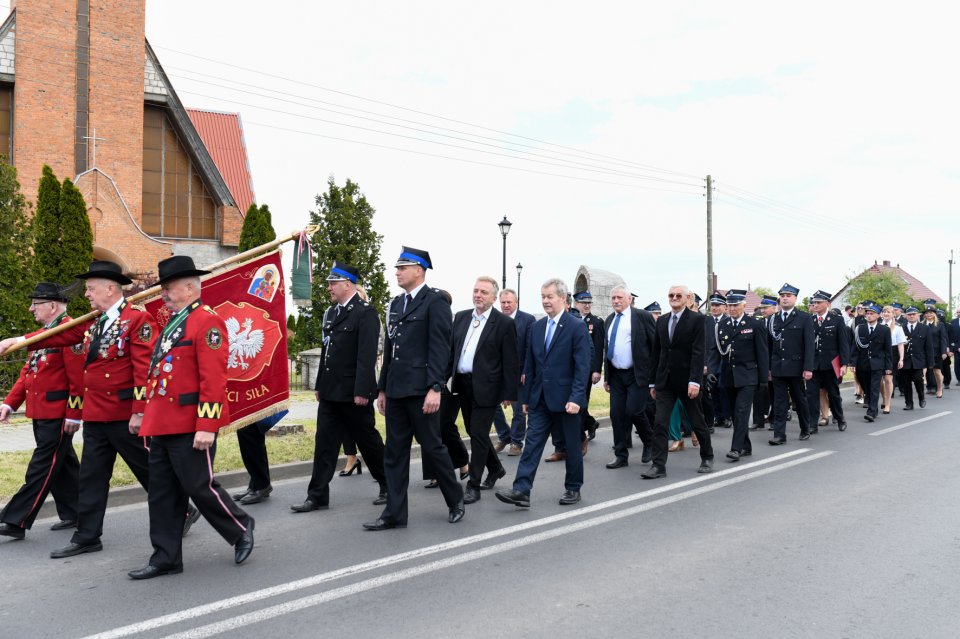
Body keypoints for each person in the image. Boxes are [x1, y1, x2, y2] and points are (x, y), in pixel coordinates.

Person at [0, 261, 168, 559]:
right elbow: (57, 336)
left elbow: (145, 370)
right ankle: (87, 536)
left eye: (91, 288)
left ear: (110, 288)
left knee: (150, 470)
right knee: (91, 477)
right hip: (96, 414)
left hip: (123, 414)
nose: (87, 294)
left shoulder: (136, 319)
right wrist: (19, 339)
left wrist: (139, 411)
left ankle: (181, 512)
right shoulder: (97, 320)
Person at [128, 256, 255, 579]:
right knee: (162, 493)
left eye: (168, 288)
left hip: (190, 423)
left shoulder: (206, 321)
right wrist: (144, 414)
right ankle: (166, 556)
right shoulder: (173, 322)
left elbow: (213, 379)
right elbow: (157, 374)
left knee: (199, 485)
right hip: (163, 422)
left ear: (189, 287)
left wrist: (207, 426)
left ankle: (240, 527)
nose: (164, 294)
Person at [366, 247, 464, 530]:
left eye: (402, 267)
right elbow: (391, 350)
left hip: (422, 392)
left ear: (419, 270)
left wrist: (436, 387)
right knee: (394, 453)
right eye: (397, 267)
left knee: (433, 448)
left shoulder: (435, 303)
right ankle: (394, 513)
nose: (396, 272)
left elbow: (441, 350)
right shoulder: (396, 304)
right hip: (396, 390)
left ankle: (455, 498)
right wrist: (382, 389)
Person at [291, 262, 388, 514]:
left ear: (347, 284)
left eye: (333, 283)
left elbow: (366, 356)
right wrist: (320, 384)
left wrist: (362, 390)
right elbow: (327, 353)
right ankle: (317, 495)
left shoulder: (365, 312)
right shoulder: (332, 312)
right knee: (324, 443)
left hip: (353, 392)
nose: (329, 287)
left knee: (368, 442)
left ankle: (389, 484)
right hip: (332, 392)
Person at [495, 278, 591, 507]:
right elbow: (530, 366)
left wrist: (577, 398)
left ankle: (573, 488)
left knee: (570, 446)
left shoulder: (576, 326)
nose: (545, 301)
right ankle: (521, 490)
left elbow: (582, 367)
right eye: (543, 297)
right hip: (539, 400)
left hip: (567, 400)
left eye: (550, 297)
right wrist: (526, 398)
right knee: (533, 444)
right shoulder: (537, 327)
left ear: (563, 299)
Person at [0, 282, 83, 541]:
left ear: (52, 306)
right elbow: (29, 372)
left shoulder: (68, 331)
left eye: (35, 304)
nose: (30, 308)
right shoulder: (45, 332)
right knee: (63, 464)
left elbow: (77, 379)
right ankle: (76, 512)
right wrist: (10, 403)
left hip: (58, 413)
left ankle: (16, 519)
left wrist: (73, 413)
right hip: (42, 411)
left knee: (42, 466)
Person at [449, 276, 518, 504]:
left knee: (478, 433)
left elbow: (510, 361)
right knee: (472, 430)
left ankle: (474, 485)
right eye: (476, 290)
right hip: (462, 384)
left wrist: (509, 393)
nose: (478, 295)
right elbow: (453, 351)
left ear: (494, 298)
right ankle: (496, 468)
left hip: (487, 388)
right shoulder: (461, 317)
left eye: (484, 292)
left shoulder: (504, 324)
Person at [643, 284, 714, 479]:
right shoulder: (662, 320)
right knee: (660, 423)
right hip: (665, 381)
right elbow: (657, 353)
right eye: (671, 295)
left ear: (687, 297)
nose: (674, 298)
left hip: (687, 381)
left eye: (678, 295)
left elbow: (699, 352)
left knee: (697, 421)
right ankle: (658, 466)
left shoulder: (697, 320)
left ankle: (707, 456)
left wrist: (695, 381)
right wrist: (652, 383)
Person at [603, 285, 656, 469]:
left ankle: (649, 441)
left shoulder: (642, 317)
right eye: (613, 298)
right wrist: (607, 377)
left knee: (634, 411)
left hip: (637, 374)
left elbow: (655, 346)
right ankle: (620, 454)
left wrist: (653, 377)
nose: (616, 301)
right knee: (616, 414)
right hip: (617, 375)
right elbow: (607, 349)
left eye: (619, 297)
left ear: (629, 299)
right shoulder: (609, 320)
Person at [714, 290, 768, 460]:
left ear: (744, 305)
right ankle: (746, 446)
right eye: (729, 305)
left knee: (742, 412)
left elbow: (762, 353)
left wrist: (763, 379)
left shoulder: (755, 324)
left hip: (748, 376)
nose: (732, 308)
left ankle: (736, 448)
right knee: (734, 413)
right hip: (729, 376)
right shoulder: (721, 325)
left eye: (735, 305)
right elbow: (716, 352)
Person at [768, 284, 813, 443]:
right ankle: (779, 435)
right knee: (779, 402)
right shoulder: (773, 319)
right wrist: (769, 367)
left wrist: (808, 368)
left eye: (788, 295)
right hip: (778, 367)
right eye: (782, 295)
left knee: (799, 399)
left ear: (795, 298)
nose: (785, 298)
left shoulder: (804, 318)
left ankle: (805, 427)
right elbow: (769, 345)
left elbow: (809, 345)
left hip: (796, 367)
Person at [492, 288, 535, 456]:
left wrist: (526, 371)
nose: (506, 305)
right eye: (503, 302)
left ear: (516, 302)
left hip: (519, 372)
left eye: (509, 302)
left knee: (518, 410)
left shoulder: (527, 320)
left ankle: (517, 442)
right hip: (498, 372)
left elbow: (530, 347)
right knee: (492, 405)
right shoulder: (495, 319)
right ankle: (504, 435)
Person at [805, 290, 850, 432]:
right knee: (812, 395)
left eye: (819, 302)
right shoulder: (809, 320)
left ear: (827, 304)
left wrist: (844, 364)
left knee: (833, 394)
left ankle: (840, 418)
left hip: (831, 365)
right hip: (813, 365)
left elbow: (843, 343)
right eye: (814, 303)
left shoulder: (837, 320)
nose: (816, 305)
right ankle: (812, 424)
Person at [851, 302, 892, 422]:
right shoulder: (860, 329)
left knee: (874, 387)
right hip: (862, 363)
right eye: (867, 314)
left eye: (872, 314)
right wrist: (853, 363)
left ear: (878, 315)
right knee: (865, 386)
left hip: (877, 363)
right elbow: (855, 347)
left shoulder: (884, 330)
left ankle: (872, 412)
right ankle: (869, 400)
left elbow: (887, 349)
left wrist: (888, 366)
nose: (869, 316)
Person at [573, 290, 605, 442]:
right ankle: (591, 423)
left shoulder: (596, 322)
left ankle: (579, 434)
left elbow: (598, 348)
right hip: (572, 369)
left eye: (589, 303)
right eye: (583, 302)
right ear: (575, 303)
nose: (587, 306)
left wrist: (596, 370)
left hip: (587, 370)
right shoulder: (571, 319)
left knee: (581, 400)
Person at [899, 306, 935, 410]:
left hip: (919, 360)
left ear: (918, 315)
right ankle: (909, 403)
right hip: (905, 360)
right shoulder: (901, 327)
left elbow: (929, 346)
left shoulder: (924, 328)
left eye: (913, 314)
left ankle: (921, 396)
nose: (911, 316)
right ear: (906, 316)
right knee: (905, 382)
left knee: (918, 379)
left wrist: (930, 363)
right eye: (909, 314)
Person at [752, 295, 778, 430]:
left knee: (774, 393)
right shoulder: (759, 322)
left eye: (765, 308)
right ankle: (758, 420)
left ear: (774, 308)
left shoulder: (778, 322)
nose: (762, 311)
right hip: (759, 363)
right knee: (758, 392)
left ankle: (774, 419)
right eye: (761, 308)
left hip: (774, 363)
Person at [706, 293, 731, 429]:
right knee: (713, 389)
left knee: (724, 388)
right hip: (710, 360)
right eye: (713, 305)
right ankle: (718, 416)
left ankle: (727, 416)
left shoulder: (728, 321)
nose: (714, 308)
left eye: (717, 305)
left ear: (724, 307)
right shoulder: (706, 321)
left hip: (725, 360)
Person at [880, 305, 906, 414]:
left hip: (892, 353)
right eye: (884, 312)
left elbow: (900, 344)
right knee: (879, 380)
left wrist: (901, 359)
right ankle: (884, 397)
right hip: (879, 353)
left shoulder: (898, 327)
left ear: (893, 314)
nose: (886, 314)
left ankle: (888, 404)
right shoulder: (878, 325)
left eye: (888, 312)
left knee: (888, 379)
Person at [923, 304, 948, 398]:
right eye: (927, 313)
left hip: (936, 352)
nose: (928, 314)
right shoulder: (922, 324)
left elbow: (943, 339)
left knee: (937, 372)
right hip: (924, 352)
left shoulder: (940, 325)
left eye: (931, 313)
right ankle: (927, 388)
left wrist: (944, 352)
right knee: (924, 371)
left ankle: (939, 388)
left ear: (934, 314)